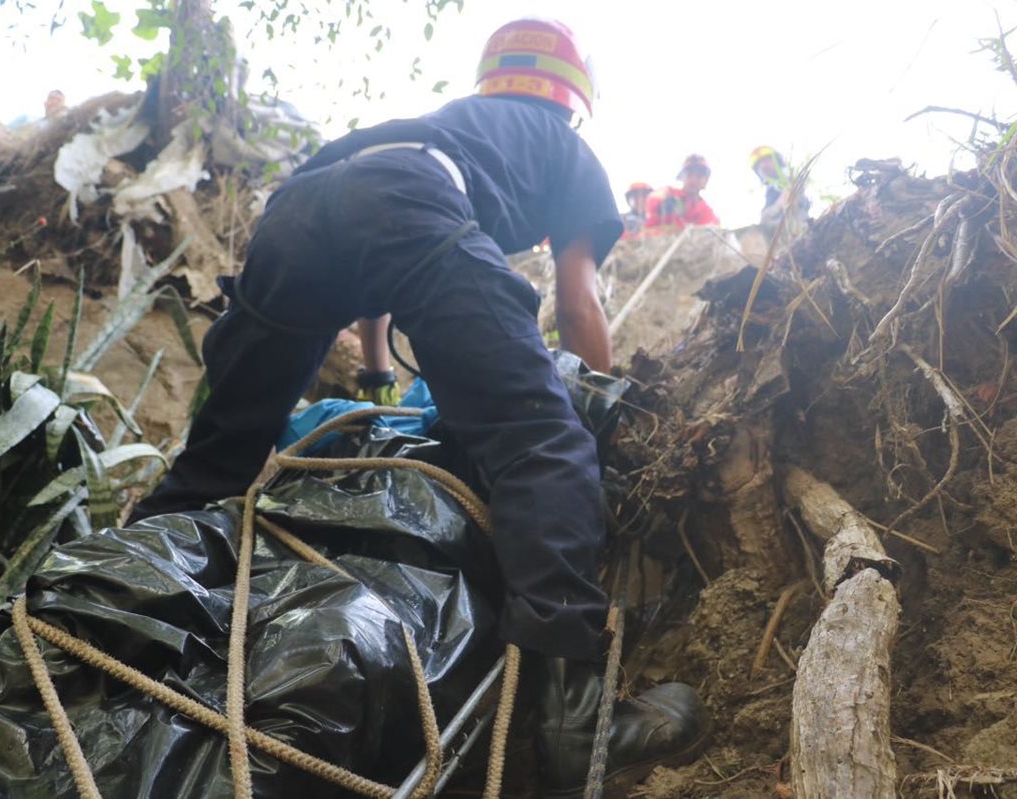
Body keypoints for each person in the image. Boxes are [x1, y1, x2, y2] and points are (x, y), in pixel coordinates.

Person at [130, 18, 705, 795]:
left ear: (491, 79)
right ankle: (578, 729)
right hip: (410, 203)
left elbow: (372, 250)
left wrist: (374, 379)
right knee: (543, 443)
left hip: (297, 209)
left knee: (219, 457)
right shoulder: (566, 148)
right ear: (572, 103)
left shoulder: (450, 125)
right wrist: (586, 406)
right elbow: (578, 301)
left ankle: (116, 610)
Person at [644, 154, 720, 229]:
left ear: (706, 181)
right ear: (682, 177)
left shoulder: (707, 211)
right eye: (689, 175)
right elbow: (652, 199)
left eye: (699, 176)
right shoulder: (668, 192)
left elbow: (709, 232)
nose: (693, 180)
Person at [750, 145, 811, 228]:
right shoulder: (771, 190)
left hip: (797, 225)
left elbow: (795, 192)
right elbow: (766, 217)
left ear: (777, 161)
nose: (763, 166)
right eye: (759, 164)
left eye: (766, 160)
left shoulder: (788, 177)